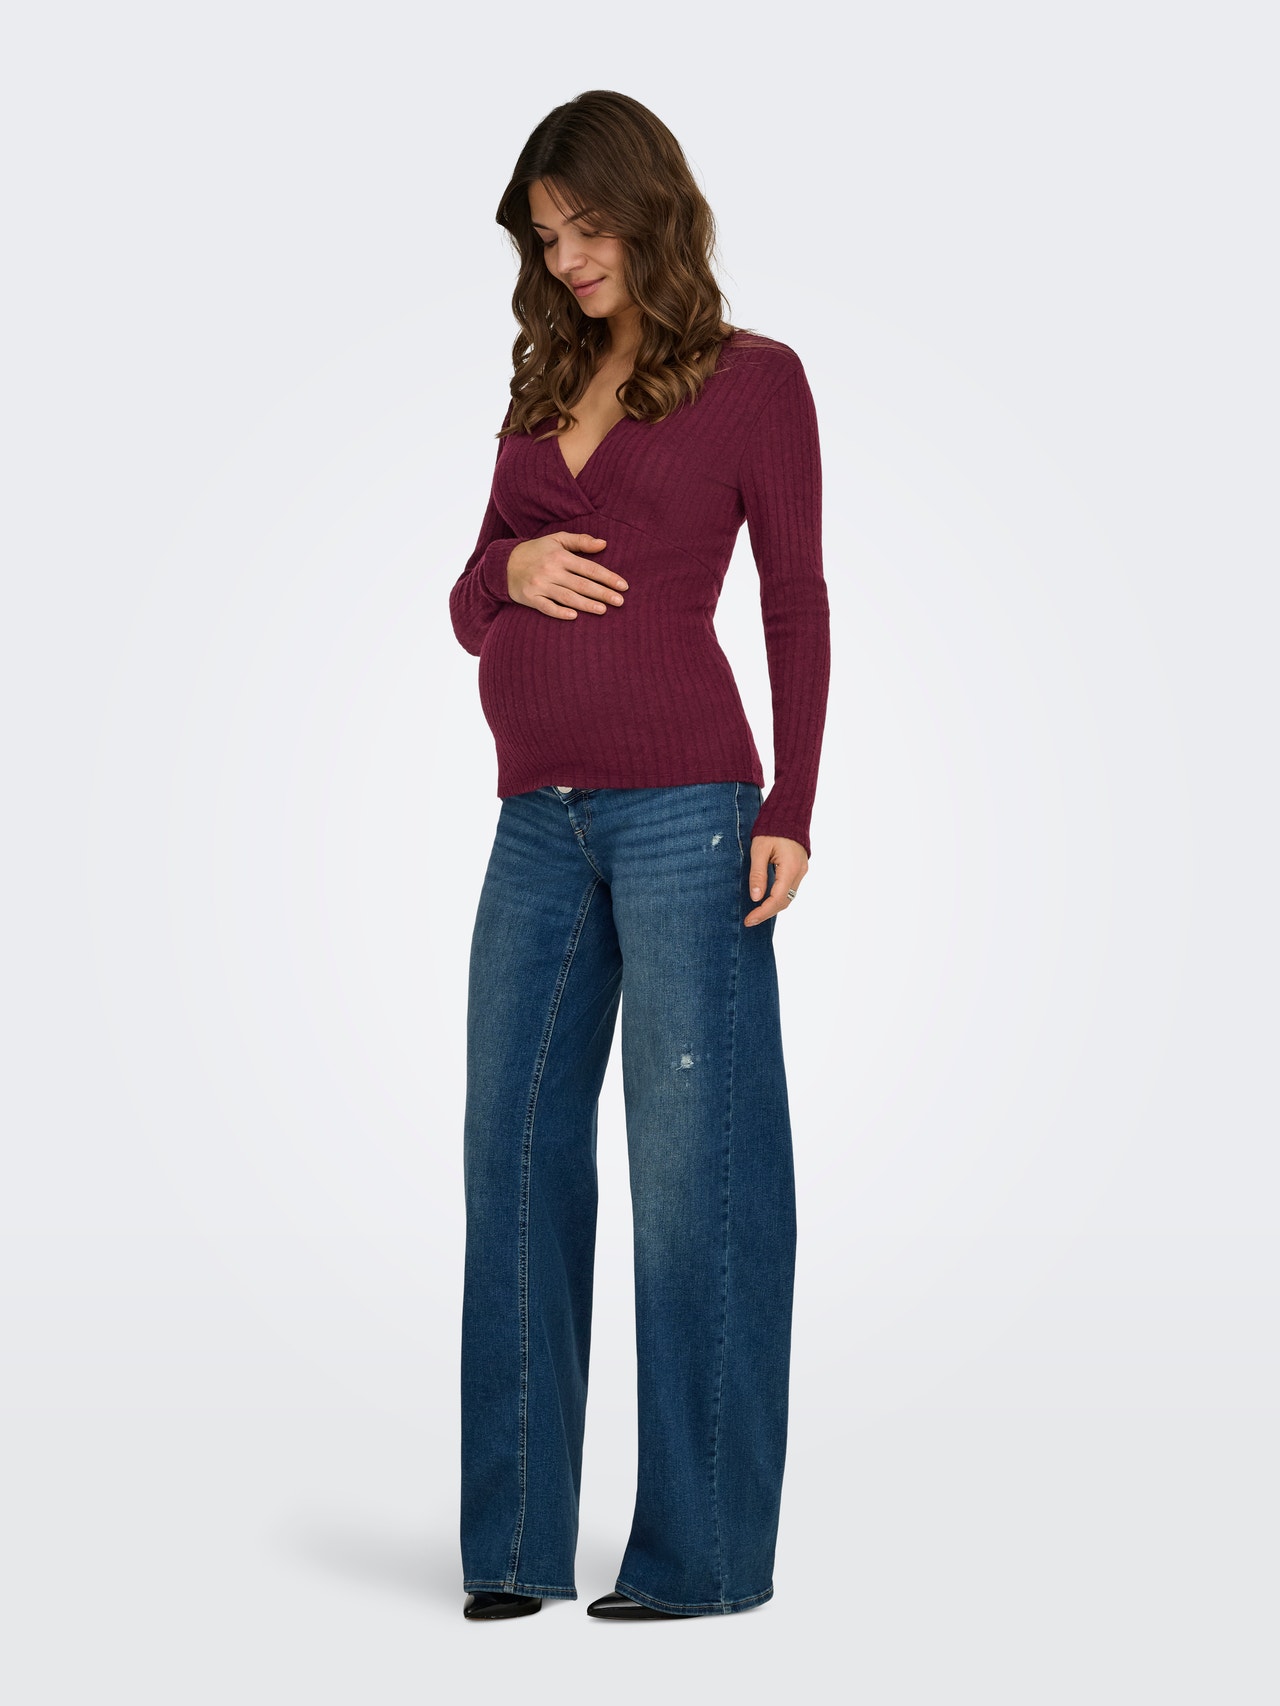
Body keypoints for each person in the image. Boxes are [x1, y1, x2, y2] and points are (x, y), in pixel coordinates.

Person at [448, 90, 830, 1622]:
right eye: (547, 238)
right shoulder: (542, 387)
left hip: (688, 813)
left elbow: (795, 598)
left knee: (698, 1177)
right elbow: (468, 598)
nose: (568, 259)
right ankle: (514, 1544)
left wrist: (793, 801)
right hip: (534, 821)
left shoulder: (755, 381)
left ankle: (701, 1555)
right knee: (513, 1160)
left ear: (648, 207)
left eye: (586, 226)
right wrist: (512, 562)